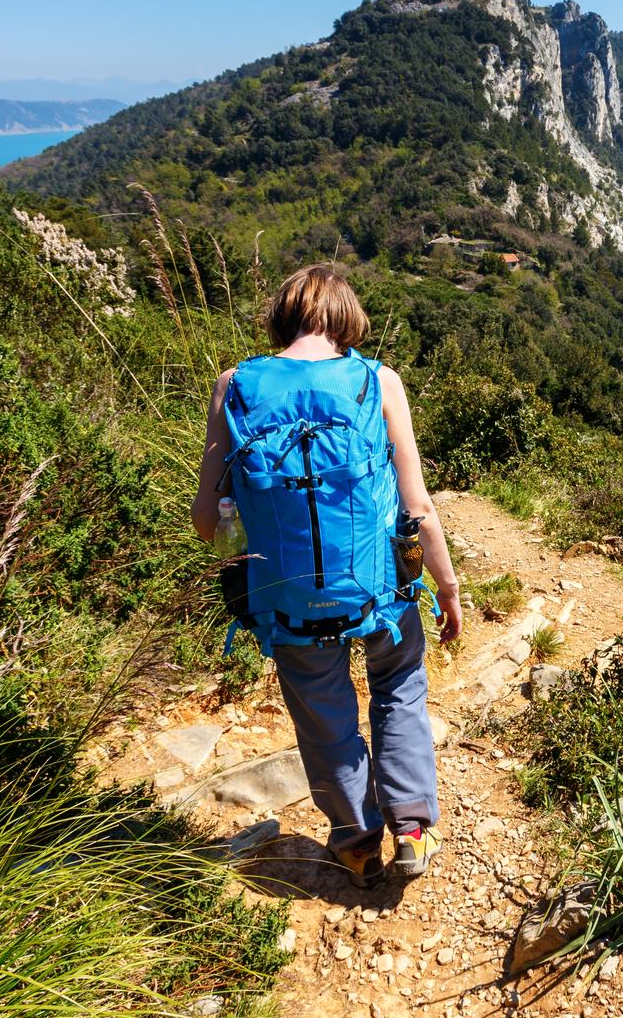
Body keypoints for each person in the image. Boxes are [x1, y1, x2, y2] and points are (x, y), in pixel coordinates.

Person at [192, 264, 462, 886]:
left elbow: (208, 517)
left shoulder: (234, 386)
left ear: (283, 316)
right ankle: (413, 828)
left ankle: (357, 839)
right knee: (399, 686)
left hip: (287, 603)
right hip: (381, 594)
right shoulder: (377, 381)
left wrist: (273, 559)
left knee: (322, 714)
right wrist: (446, 590)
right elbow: (418, 509)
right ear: (346, 320)